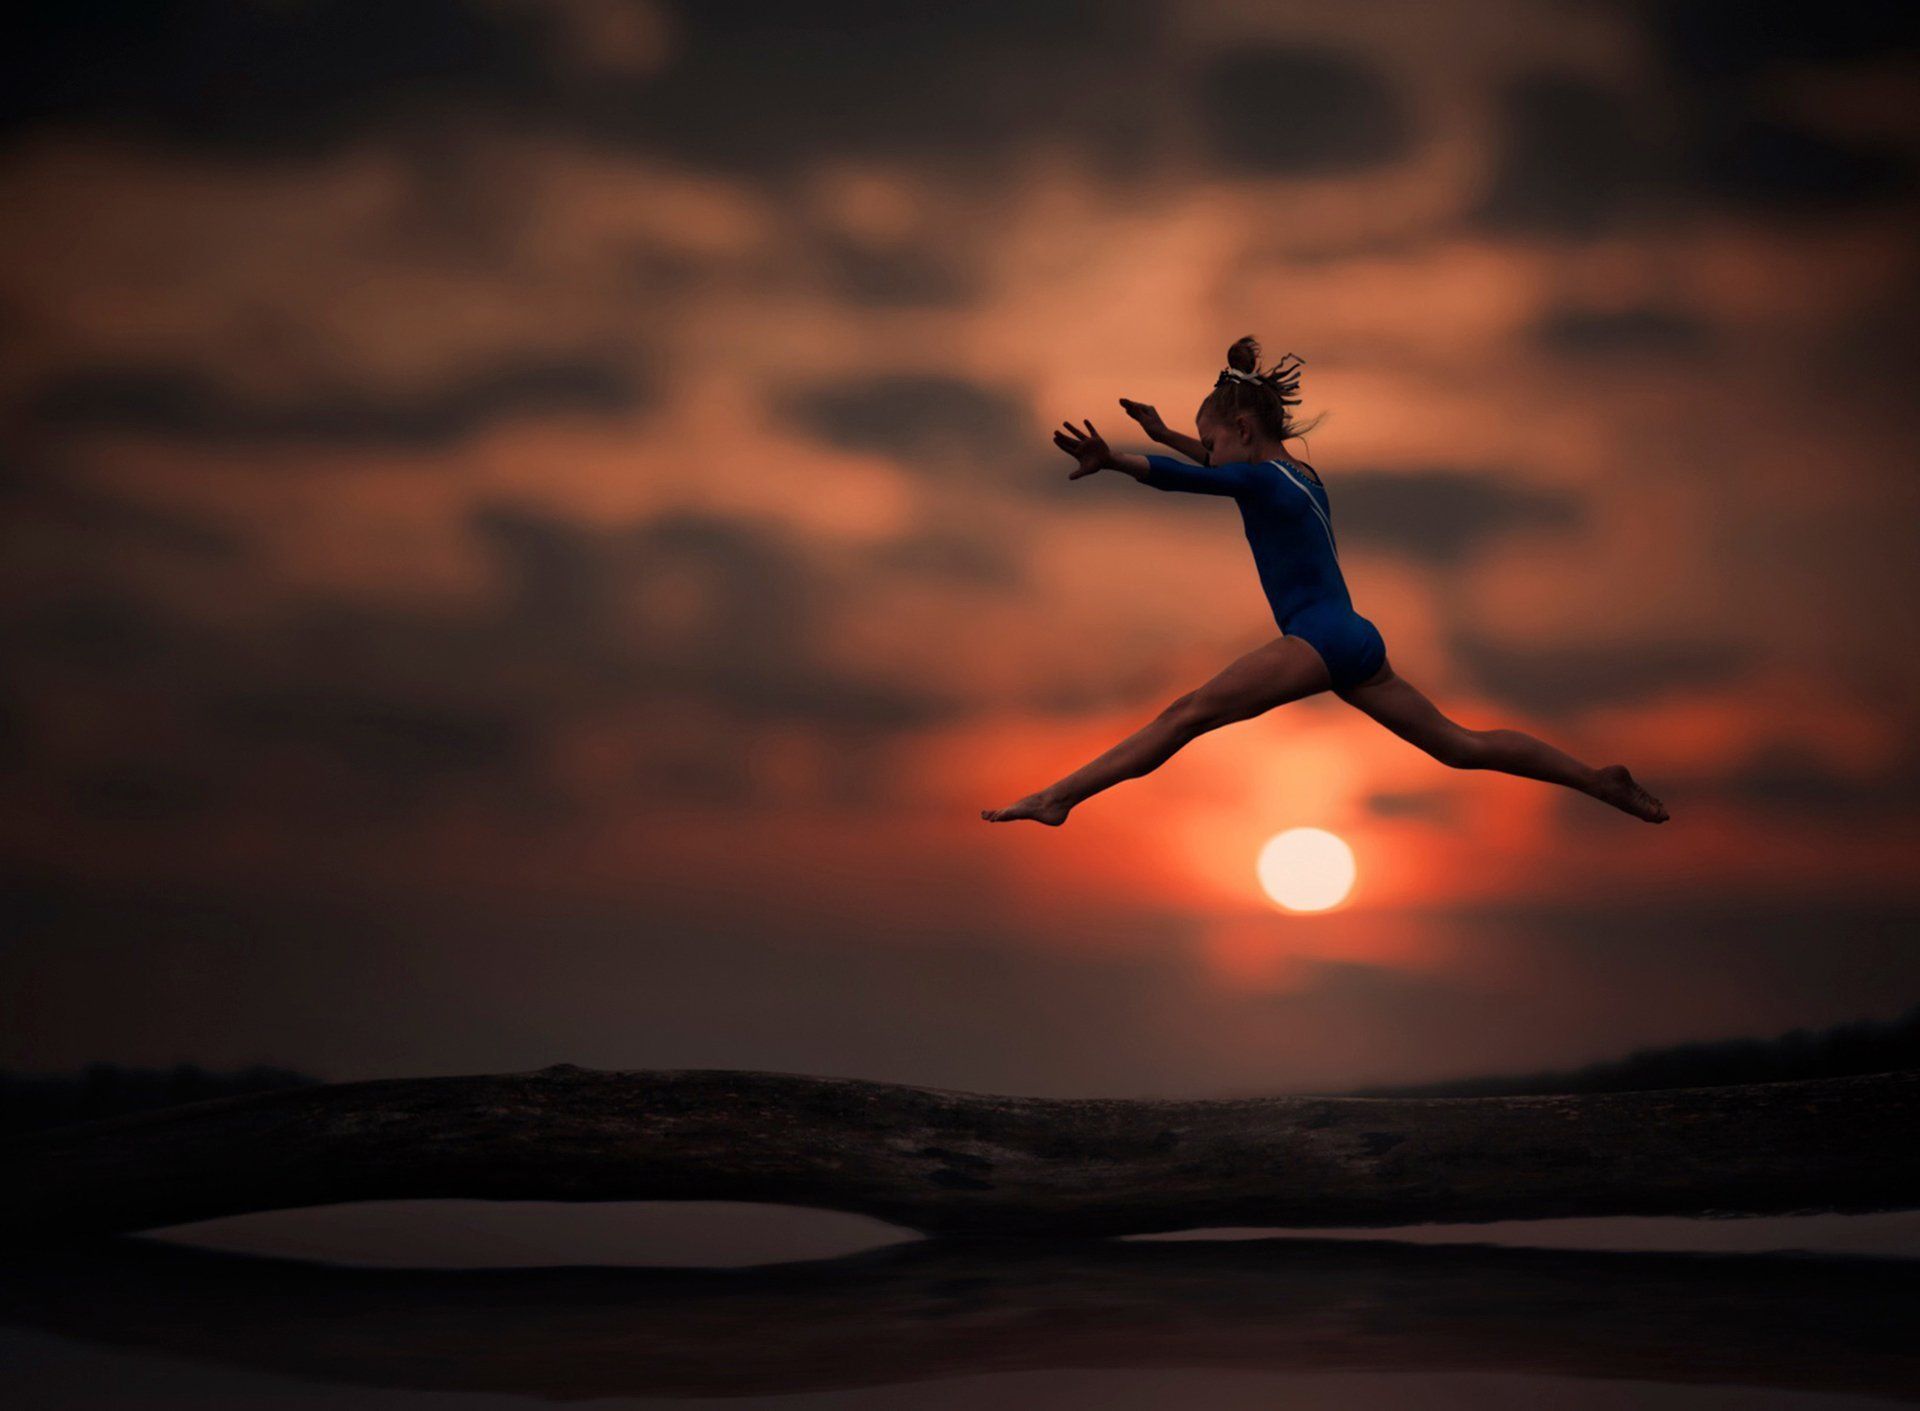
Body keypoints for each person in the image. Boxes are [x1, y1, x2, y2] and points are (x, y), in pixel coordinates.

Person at [982, 336, 1668, 827]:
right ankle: (1593, 777)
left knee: (1185, 714)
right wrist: (1167, 433)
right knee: (1461, 746)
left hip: (1319, 636)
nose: (1212, 451)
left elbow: (1195, 479)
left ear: (1243, 430)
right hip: (1355, 641)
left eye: (1214, 439)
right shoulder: (1299, 477)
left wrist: (1121, 460)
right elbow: (1221, 465)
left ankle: (1058, 796)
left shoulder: (1256, 479)